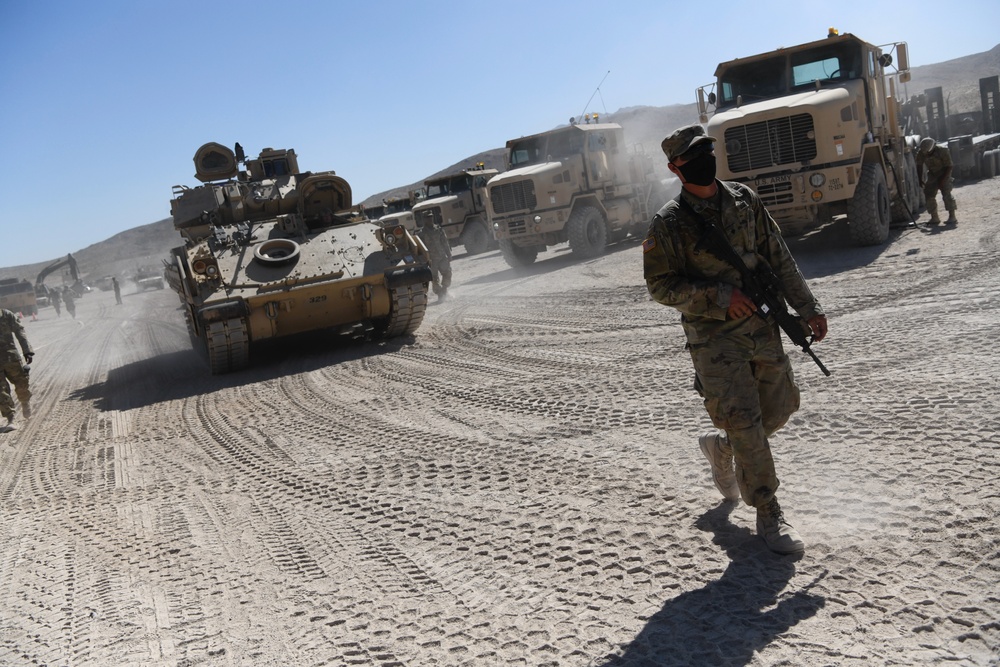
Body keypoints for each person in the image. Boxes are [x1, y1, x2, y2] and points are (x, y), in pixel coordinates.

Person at [643, 124, 828, 555]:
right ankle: (769, 511)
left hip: (763, 327)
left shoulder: (744, 200)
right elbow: (660, 286)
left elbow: (778, 254)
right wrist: (721, 298)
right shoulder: (669, 223)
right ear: (675, 168)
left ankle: (722, 449)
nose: (705, 159)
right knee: (745, 421)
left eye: (708, 149)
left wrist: (808, 307)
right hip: (714, 341)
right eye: (693, 157)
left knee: (778, 410)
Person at [0, 307, 33, 432]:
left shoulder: (6, 314)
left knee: (21, 383)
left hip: (10, 357)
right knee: (1, 391)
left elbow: (19, 331)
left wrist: (27, 350)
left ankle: (24, 402)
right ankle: (11, 418)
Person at [916, 137, 957, 226]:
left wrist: (942, 181)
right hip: (932, 174)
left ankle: (952, 216)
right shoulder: (922, 152)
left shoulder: (942, 151)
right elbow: (919, 165)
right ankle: (934, 217)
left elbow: (949, 166)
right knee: (928, 194)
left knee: (946, 194)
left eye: (929, 152)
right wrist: (920, 179)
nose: (927, 154)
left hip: (944, 172)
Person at [415, 211, 453, 301]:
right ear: (424, 220)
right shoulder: (421, 234)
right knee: (434, 278)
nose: (430, 219)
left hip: (442, 256)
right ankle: (440, 293)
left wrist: (449, 254)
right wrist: (422, 261)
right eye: (428, 217)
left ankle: (444, 289)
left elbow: (445, 242)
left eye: (431, 217)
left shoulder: (439, 229)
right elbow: (420, 249)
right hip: (431, 260)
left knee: (447, 273)